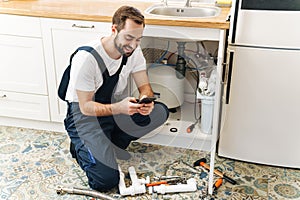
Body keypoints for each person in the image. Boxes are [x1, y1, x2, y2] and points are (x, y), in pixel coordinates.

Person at [62, 6, 169, 192]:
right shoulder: (87, 58)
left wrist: (145, 100)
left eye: (138, 39)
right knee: (105, 181)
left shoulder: (132, 51)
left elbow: (144, 86)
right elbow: (86, 107)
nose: (134, 45)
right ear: (114, 30)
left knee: (159, 112)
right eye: (129, 38)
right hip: (84, 118)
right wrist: (119, 108)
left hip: (112, 111)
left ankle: (109, 144)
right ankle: (80, 147)